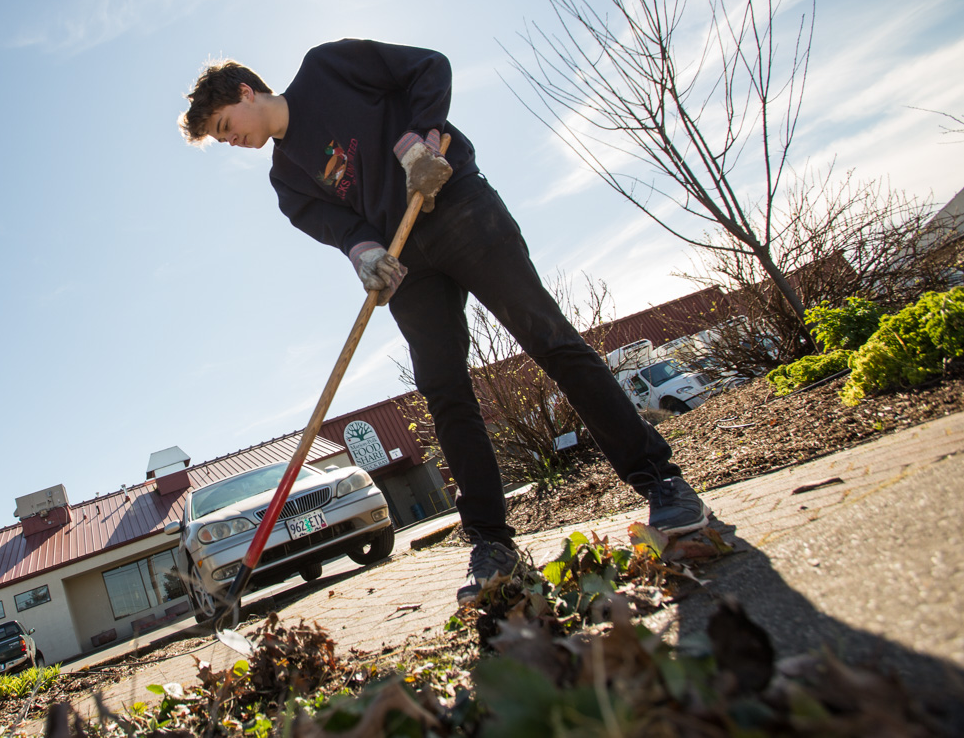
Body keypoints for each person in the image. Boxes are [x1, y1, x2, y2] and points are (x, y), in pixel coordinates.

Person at [178, 39, 710, 605]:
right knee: (443, 391)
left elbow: (428, 68)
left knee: (549, 339)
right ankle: (491, 544)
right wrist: (366, 256)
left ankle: (663, 483)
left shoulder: (326, 68)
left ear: (245, 91)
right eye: (220, 137)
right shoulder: (286, 181)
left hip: (459, 210)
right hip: (408, 264)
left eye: (225, 124)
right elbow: (340, 228)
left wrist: (419, 141)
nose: (230, 140)